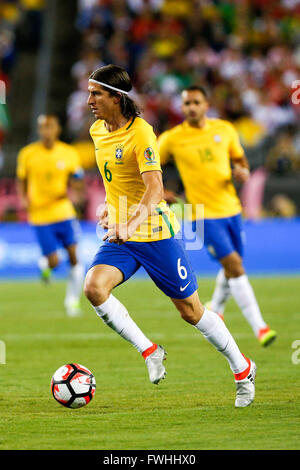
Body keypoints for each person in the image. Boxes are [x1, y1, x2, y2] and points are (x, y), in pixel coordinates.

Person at [84, 64, 256, 408]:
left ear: (116, 97)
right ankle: (149, 350)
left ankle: (243, 369)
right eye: (89, 92)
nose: (89, 99)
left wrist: (130, 225)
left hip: (154, 233)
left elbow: (155, 189)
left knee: (191, 311)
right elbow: (117, 180)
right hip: (121, 236)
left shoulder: (142, 134)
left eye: (96, 93)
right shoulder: (97, 131)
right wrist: (107, 204)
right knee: (93, 288)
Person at [158, 85, 276, 347]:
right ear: (182, 107)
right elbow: (149, 162)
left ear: (206, 104)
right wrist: (162, 191)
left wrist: (242, 171)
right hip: (201, 213)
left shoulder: (225, 130)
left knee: (232, 267)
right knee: (234, 265)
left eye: (195, 102)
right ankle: (261, 327)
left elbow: (240, 161)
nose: (191, 107)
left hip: (232, 209)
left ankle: (216, 309)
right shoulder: (173, 138)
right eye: (186, 103)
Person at [17, 114, 85, 317]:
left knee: (74, 256)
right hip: (40, 214)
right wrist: (22, 197)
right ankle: (46, 265)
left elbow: (77, 178)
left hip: (63, 211)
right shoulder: (28, 154)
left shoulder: (69, 153)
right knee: (54, 260)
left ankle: (72, 301)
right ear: (39, 130)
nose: (46, 131)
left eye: (50, 127)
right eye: (42, 128)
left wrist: (77, 192)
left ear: (57, 130)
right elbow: (22, 179)